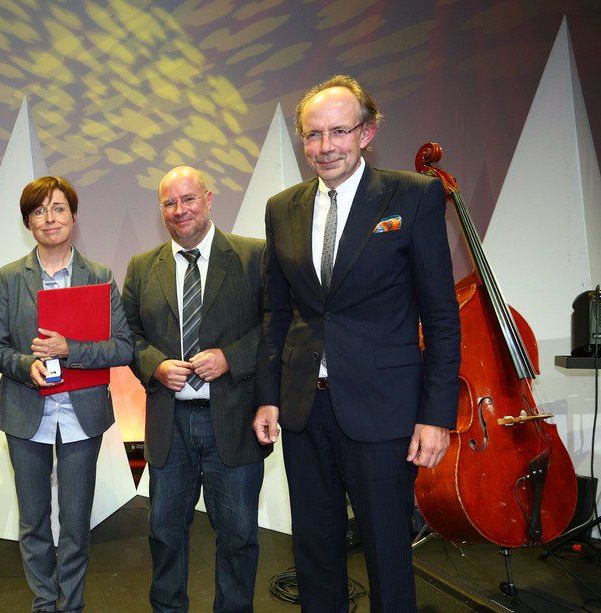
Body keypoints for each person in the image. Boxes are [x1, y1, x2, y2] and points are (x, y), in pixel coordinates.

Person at [253, 75, 461, 612]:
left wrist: (437, 415)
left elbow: (441, 316)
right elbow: (278, 313)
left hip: (383, 412)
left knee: (388, 557)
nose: (325, 146)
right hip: (304, 409)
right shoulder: (281, 207)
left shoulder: (412, 195)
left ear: (366, 133)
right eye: (313, 134)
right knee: (314, 555)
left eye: (339, 131)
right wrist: (269, 396)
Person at [122, 166, 269, 612]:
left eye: (188, 199)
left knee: (238, 537)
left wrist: (231, 358)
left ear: (208, 199)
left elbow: (276, 327)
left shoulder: (253, 256)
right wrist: (155, 366)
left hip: (234, 421)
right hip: (170, 424)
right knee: (165, 534)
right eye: (169, 203)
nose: (180, 210)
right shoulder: (142, 267)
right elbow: (128, 336)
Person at [0, 176, 134, 612]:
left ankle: (71, 604)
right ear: (28, 222)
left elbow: (123, 346)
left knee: (75, 523)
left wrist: (70, 350)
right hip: (25, 412)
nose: (49, 218)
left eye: (58, 208)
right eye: (39, 211)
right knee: (33, 521)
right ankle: (44, 601)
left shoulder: (99, 276)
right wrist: (26, 366)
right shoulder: (11, 277)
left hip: (81, 414)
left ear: (73, 216)